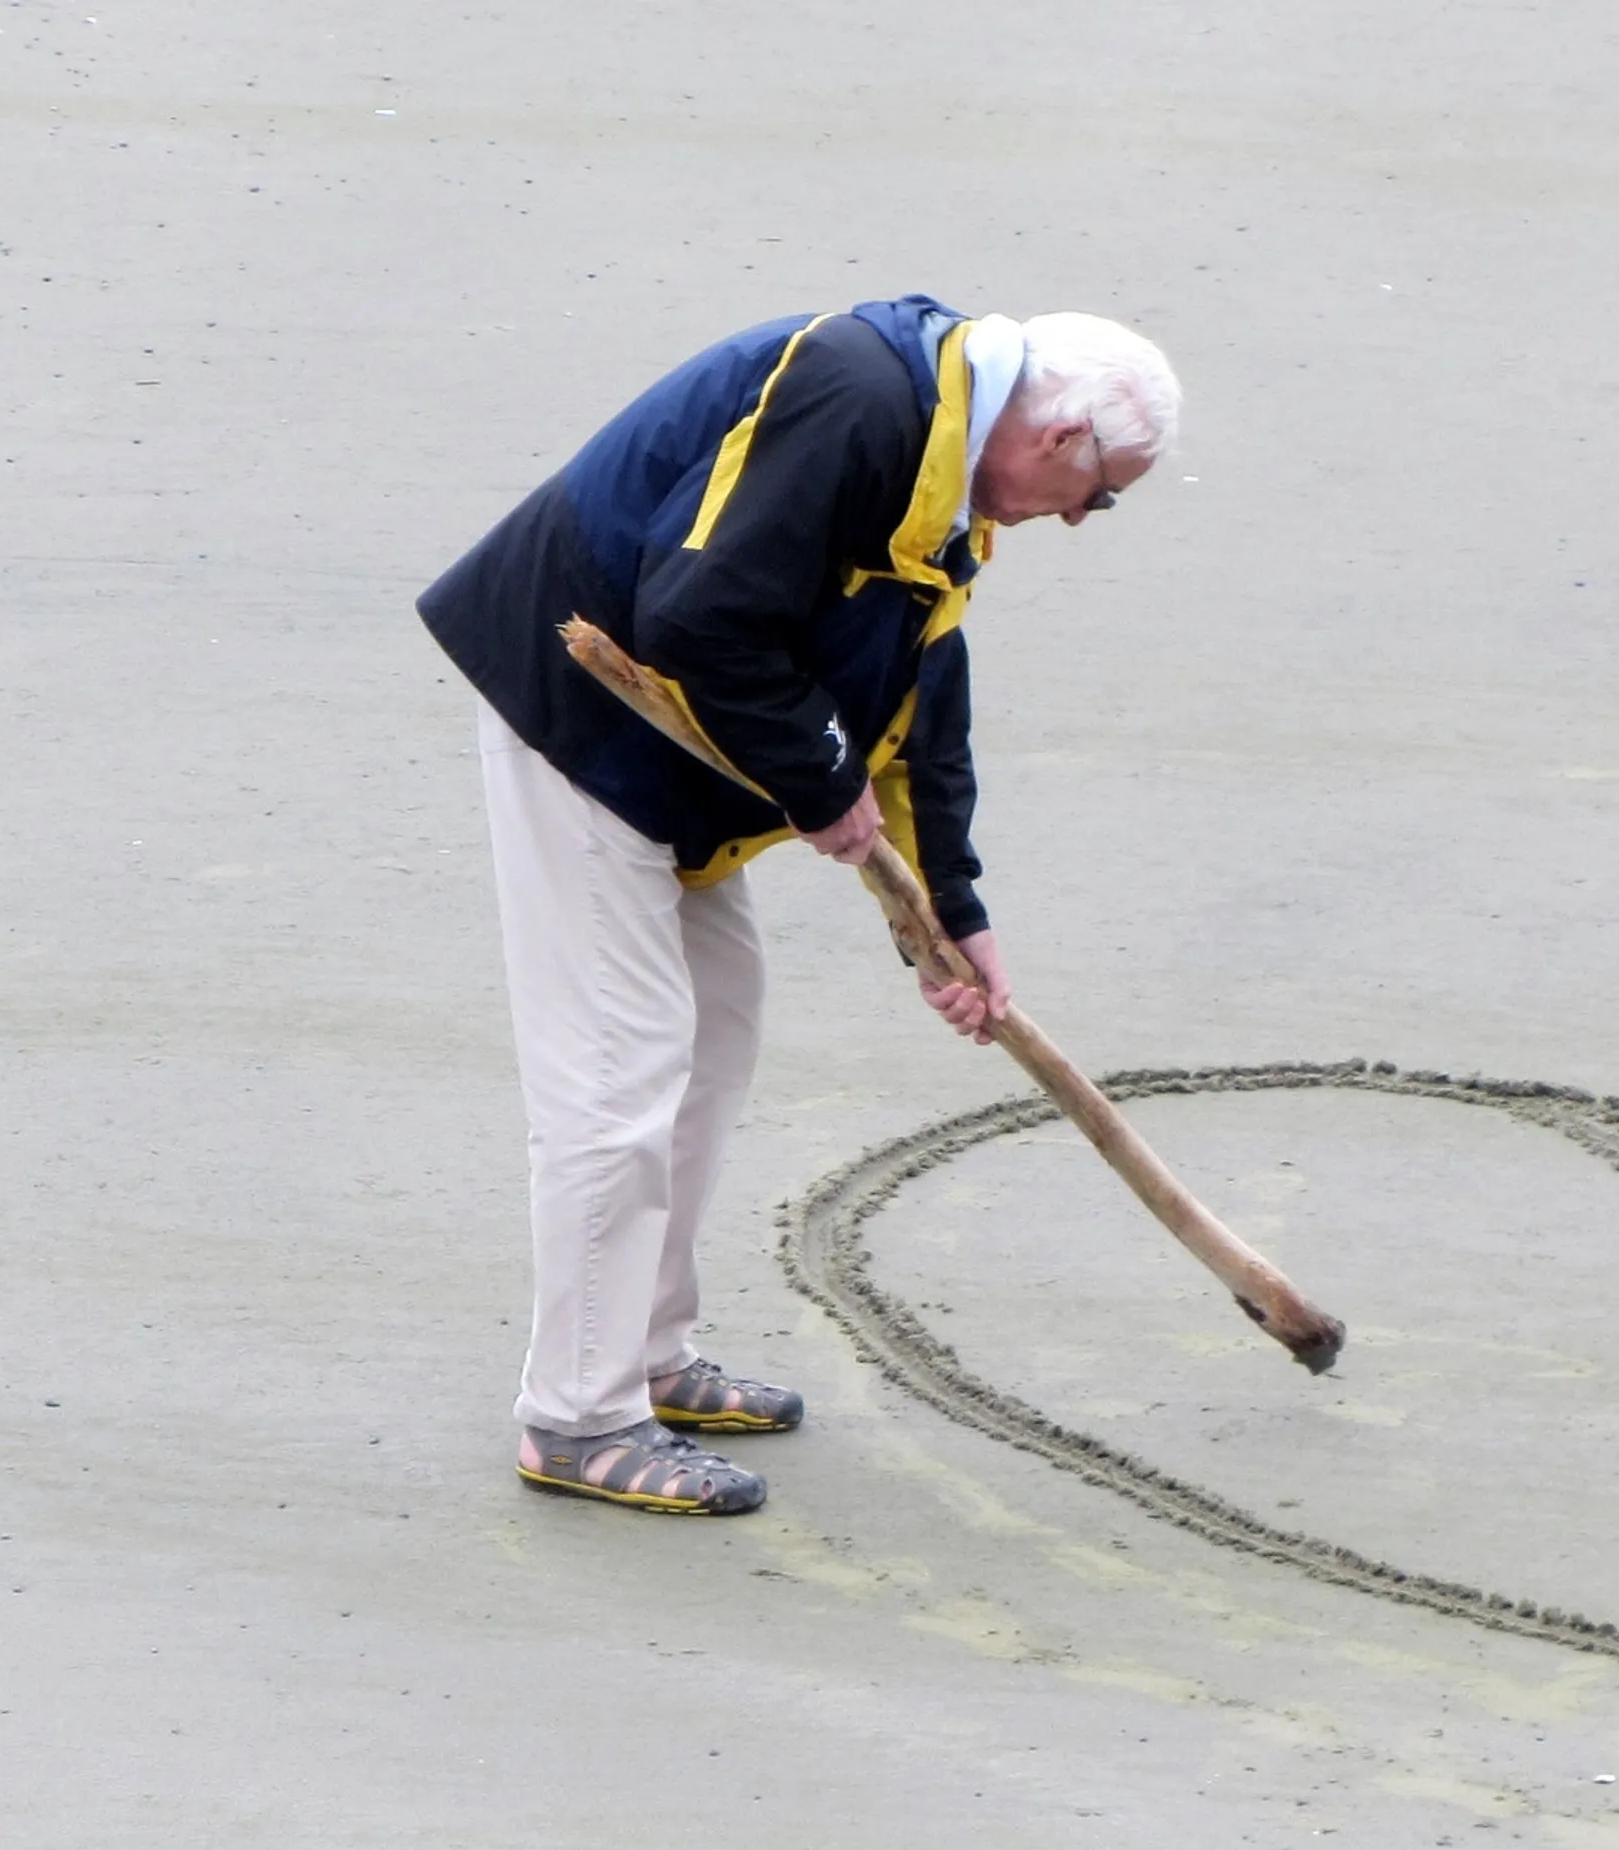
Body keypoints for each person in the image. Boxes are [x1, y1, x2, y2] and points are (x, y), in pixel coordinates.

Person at [417, 298, 1175, 1514]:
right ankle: (576, 1415)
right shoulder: (862, 399)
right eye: (1100, 495)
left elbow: (917, 688)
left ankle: (647, 1358)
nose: (1082, 521)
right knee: (619, 1076)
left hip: (678, 758)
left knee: (716, 1033)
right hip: (579, 721)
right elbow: (692, 614)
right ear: (1062, 435)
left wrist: (948, 917)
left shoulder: (945, 471)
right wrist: (823, 791)